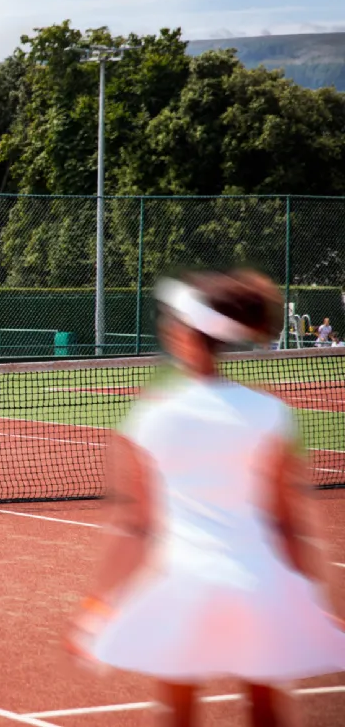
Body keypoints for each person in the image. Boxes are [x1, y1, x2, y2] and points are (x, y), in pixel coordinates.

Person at [67, 268, 345, 727]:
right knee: (266, 709)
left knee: (177, 711)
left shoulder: (151, 417)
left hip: (187, 584)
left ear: (184, 336)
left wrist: (97, 604)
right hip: (261, 584)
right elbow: (289, 523)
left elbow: (136, 527)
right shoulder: (271, 414)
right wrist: (314, 602)